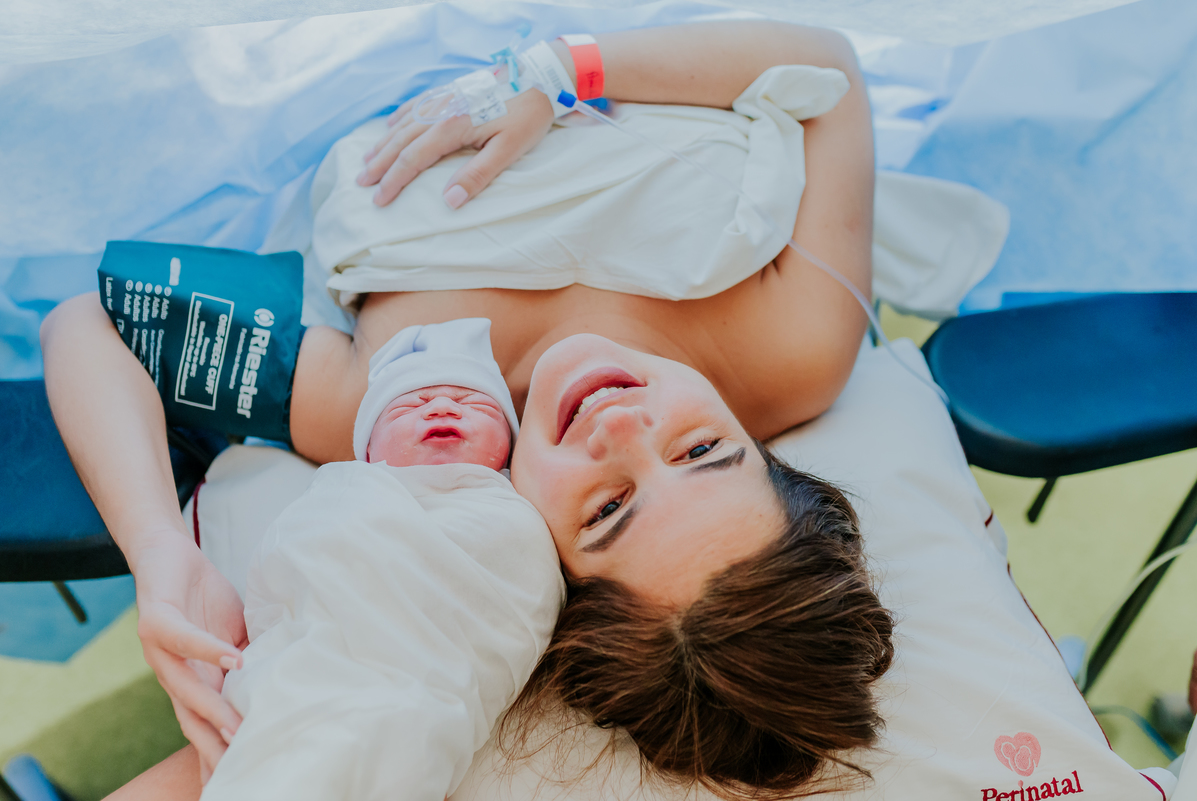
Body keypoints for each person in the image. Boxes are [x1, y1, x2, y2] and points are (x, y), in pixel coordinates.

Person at [40, 21, 889, 800]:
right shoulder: (795, 350)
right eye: (705, 450)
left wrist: (157, 548)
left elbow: (93, 322)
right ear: (768, 451)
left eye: (609, 507)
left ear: (549, 563)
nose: (622, 426)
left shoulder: (407, 403)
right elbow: (831, 75)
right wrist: (561, 69)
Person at [201, 318, 564, 798]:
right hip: (324, 656)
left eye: (472, 403)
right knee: (285, 729)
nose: (439, 406)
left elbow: (524, 597)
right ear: (368, 453)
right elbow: (292, 560)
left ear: (510, 452)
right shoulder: (344, 493)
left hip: (425, 684)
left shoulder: (510, 515)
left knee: (388, 739)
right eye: (408, 406)